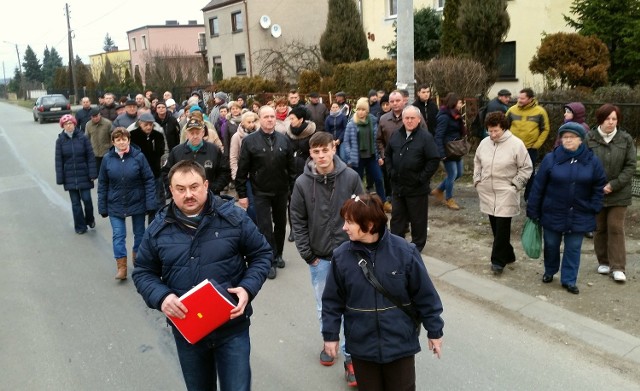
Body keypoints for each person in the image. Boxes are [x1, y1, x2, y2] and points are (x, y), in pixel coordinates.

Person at [132, 160, 272, 391]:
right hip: (189, 331)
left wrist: (247, 288)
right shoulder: (158, 229)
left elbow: (262, 254)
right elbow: (144, 272)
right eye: (180, 189)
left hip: (232, 327)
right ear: (171, 191)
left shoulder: (234, 218)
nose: (188, 194)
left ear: (206, 185)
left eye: (194, 186)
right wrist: (162, 297)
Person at [322, 194, 444, 390]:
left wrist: (435, 331)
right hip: (362, 347)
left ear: (369, 225)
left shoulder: (405, 252)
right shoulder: (341, 257)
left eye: (349, 222)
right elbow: (332, 302)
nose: (344, 227)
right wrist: (330, 336)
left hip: (400, 345)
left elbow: (425, 296)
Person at [289, 132, 363, 384]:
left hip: (350, 256)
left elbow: (363, 212)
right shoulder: (301, 183)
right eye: (316, 151)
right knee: (325, 306)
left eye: (325, 150)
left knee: (353, 309)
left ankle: (351, 357)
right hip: (320, 258)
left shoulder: (351, 178)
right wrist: (308, 255)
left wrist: (361, 247)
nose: (321, 156)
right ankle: (329, 342)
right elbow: (297, 219)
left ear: (334, 149)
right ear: (310, 153)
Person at [526, 122, 606, 294]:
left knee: (574, 248)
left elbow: (599, 185)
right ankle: (550, 270)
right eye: (565, 137)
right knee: (551, 244)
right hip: (553, 211)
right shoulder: (551, 159)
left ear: (580, 140)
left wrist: (594, 206)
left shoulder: (592, 161)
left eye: (572, 137)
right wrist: (533, 209)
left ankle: (569, 280)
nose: (568, 140)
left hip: (580, 213)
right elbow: (538, 186)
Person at [235, 106, 297, 280]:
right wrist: (242, 194)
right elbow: (242, 170)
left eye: (272, 117)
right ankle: (268, 259)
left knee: (280, 223)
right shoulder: (250, 141)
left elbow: (291, 169)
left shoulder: (284, 140)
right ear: (259, 120)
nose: (270, 120)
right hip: (260, 190)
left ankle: (278, 255)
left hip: (281, 190)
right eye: (266, 117)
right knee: (264, 227)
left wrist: (294, 191)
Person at [473, 112, 533, 274]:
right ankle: (509, 254)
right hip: (487, 191)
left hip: (506, 190)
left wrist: (515, 185)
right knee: (495, 227)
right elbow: (477, 161)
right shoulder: (484, 143)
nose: (492, 135)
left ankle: (497, 262)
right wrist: (477, 179)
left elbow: (526, 167)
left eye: (496, 131)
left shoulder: (516, 144)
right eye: (489, 131)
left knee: (502, 227)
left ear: (504, 128)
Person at [586, 104, 637, 283]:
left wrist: (613, 185)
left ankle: (618, 267)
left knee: (615, 227)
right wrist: (596, 184)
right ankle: (604, 261)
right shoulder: (589, 138)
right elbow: (584, 162)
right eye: (607, 119)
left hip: (618, 192)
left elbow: (630, 165)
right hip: (596, 191)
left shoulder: (625, 139)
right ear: (600, 119)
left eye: (614, 119)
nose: (611, 122)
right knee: (600, 228)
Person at [98, 127, 157, 280]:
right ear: (113, 142)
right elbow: (103, 184)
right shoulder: (107, 159)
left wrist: (151, 202)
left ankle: (138, 262)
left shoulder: (139, 157)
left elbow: (149, 179)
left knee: (140, 233)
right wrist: (102, 206)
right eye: (118, 140)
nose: (121, 142)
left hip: (137, 201)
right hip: (115, 203)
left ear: (129, 140)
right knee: (118, 235)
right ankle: (121, 267)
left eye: (124, 139)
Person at [385, 105, 440, 252]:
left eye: (412, 118)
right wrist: (391, 172)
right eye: (406, 118)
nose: (409, 121)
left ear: (418, 119)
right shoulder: (396, 135)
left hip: (416, 188)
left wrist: (421, 178)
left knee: (418, 219)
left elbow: (434, 160)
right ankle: (396, 244)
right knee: (397, 217)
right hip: (398, 186)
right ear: (402, 119)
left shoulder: (425, 137)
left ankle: (417, 245)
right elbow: (388, 155)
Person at [163, 117, 230, 197]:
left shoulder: (214, 150)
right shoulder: (176, 152)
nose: (195, 136)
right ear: (186, 134)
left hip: (210, 197)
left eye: (197, 133)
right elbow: (166, 172)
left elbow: (225, 171)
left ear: (203, 132)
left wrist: (214, 188)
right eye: (192, 133)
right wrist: (176, 190)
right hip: (184, 197)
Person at [55, 114, 97, 234]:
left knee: (87, 200)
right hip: (69, 176)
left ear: (74, 124)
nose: (69, 126)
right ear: (63, 126)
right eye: (66, 124)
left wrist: (92, 173)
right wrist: (60, 178)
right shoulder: (60, 141)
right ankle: (80, 226)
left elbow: (90, 156)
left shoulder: (83, 138)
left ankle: (90, 219)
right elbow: (59, 161)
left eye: (71, 123)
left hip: (84, 174)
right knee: (75, 203)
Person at [506, 88, 550, 201]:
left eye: (522, 98)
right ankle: (510, 194)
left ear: (530, 99)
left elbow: (545, 129)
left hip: (530, 148)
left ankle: (529, 197)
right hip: (512, 148)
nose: (519, 100)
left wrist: (537, 145)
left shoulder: (540, 111)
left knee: (529, 174)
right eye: (518, 97)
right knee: (510, 171)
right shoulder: (511, 110)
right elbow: (504, 126)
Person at [285, 106, 317, 242]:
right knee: (292, 202)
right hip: (291, 172)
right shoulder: (288, 133)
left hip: (308, 171)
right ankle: (294, 229)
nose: (290, 121)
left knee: (309, 201)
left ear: (301, 119)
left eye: (292, 118)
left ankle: (311, 229)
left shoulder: (312, 133)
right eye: (289, 118)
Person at [130, 112, 167, 222]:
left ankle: (155, 223)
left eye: (151, 124)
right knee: (140, 201)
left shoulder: (158, 135)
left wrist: (162, 164)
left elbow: (163, 151)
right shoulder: (133, 136)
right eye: (146, 124)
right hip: (138, 174)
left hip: (155, 172)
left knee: (157, 200)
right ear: (140, 123)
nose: (149, 127)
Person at [433, 92, 467, 210]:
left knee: (459, 173)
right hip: (448, 150)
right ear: (453, 103)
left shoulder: (456, 115)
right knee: (452, 174)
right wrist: (441, 154)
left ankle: (439, 190)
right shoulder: (444, 117)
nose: (461, 104)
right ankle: (449, 199)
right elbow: (438, 136)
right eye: (459, 102)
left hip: (456, 149)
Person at [377, 91, 406, 212]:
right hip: (392, 162)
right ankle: (399, 221)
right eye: (392, 101)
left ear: (404, 101)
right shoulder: (384, 119)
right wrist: (384, 155)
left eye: (398, 100)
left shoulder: (411, 116)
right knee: (395, 191)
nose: (395, 103)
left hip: (410, 161)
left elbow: (425, 137)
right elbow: (379, 140)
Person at [229, 111, 259, 223]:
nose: (251, 124)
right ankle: (252, 226)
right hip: (245, 176)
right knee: (251, 205)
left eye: (253, 121)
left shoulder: (259, 134)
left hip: (259, 174)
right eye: (249, 122)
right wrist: (236, 176)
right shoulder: (237, 137)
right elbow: (233, 157)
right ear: (243, 122)